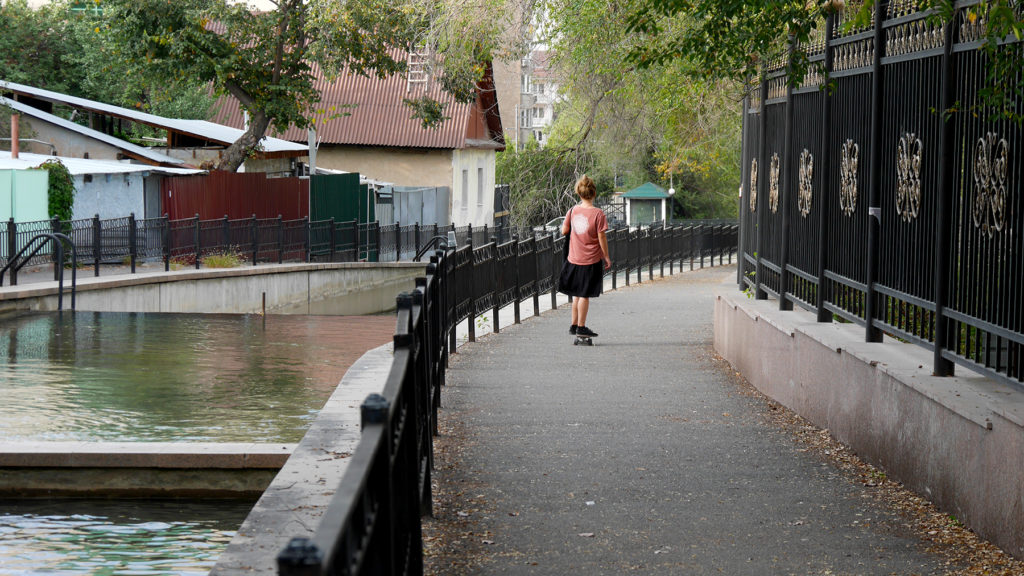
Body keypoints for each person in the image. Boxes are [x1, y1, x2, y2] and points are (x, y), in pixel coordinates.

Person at [558, 175, 611, 338]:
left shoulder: (572, 211)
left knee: (576, 294)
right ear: (594, 193)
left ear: (579, 193)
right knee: (584, 295)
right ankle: (581, 326)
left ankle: (574, 325)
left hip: (573, 259)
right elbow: (601, 237)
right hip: (590, 260)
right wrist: (606, 257)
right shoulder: (598, 214)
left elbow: (564, 231)